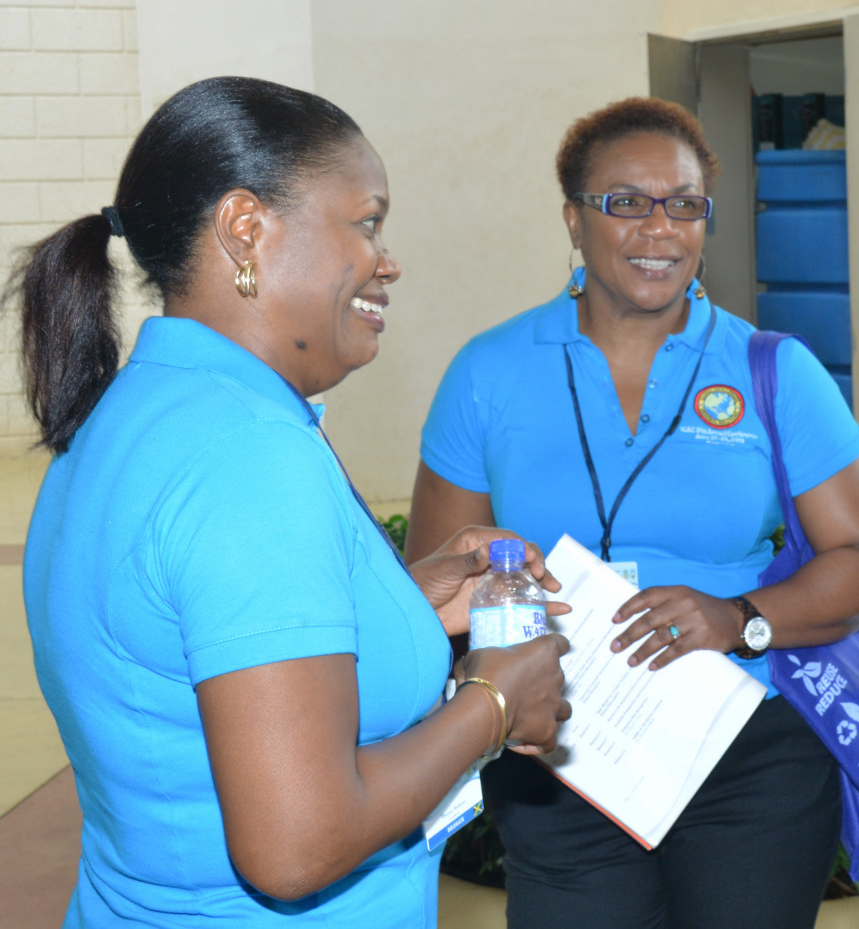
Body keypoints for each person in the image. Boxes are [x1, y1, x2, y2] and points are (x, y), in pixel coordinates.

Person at [15, 76, 572, 928]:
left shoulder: (132, 413)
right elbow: (297, 845)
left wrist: (397, 602)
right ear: (246, 228)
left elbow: (190, 643)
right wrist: (492, 702)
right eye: (367, 222)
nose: (388, 260)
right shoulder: (248, 454)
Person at [406, 96, 859, 928]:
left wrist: (739, 617)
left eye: (685, 204)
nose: (660, 228)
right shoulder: (488, 373)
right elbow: (434, 584)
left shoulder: (776, 369)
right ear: (573, 218)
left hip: (749, 752)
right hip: (558, 750)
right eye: (626, 202)